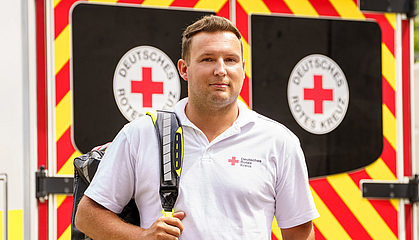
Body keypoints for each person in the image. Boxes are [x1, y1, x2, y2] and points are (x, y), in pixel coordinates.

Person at [75, 15, 319, 240]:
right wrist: (142, 236)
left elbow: (299, 232)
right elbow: (87, 216)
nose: (221, 70)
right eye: (208, 59)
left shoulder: (278, 141)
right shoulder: (141, 134)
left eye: (230, 60)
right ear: (184, 69)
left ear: (242, 69)